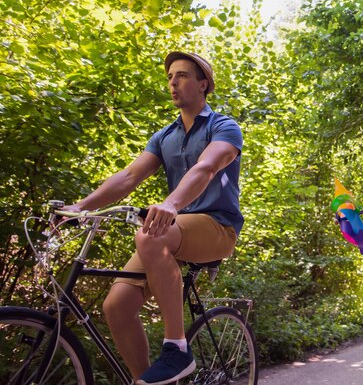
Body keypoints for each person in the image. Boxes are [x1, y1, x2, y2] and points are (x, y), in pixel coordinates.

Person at [63, 51, 244, 385]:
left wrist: (172, 204)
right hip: (175, 228)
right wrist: (81, 207)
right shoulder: (165, 137)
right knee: (116, 306)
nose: (173, 82)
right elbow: (130, 176)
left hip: (216, 227)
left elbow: (206, 167)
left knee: (151, 233)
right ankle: (150, 381)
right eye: (170, 77)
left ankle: (177, 350)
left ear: (203, 84)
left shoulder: (224, 127)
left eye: (183, 76)